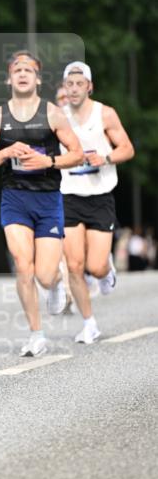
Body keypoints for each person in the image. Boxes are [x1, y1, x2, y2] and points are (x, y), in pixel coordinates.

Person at [0, 51, 83, 358]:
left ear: (37, 78)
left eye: (29, 70)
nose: (22, 74)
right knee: (23, 265)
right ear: (9, 78)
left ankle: (57, 281)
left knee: (44, 275)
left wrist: (46, 161)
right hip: (14, 199)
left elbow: (77, 154)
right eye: (17, 69)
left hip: (48, 200)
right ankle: (36, 334)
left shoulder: (53, 114)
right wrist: (5, 154)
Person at [60, 62, 135, 343]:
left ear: (89, 86)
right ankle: (89, 323)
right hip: (69, 195)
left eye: (80, 84)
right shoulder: (58, 117)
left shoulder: (105, 114)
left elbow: (127, 148)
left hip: (101, 196)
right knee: (75, 265)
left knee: (96, 266)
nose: (75, 88)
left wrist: (104, 158)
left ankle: (107, 269)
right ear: (64, 88)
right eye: (70, 84)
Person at [54, 82, 75, 311]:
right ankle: (65, 291)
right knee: (60, 247)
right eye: (60, 98)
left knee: (73, 250)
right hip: (57, 192)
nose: (64, 101)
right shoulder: (52, 124)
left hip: (79, 193)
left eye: (67, 97)